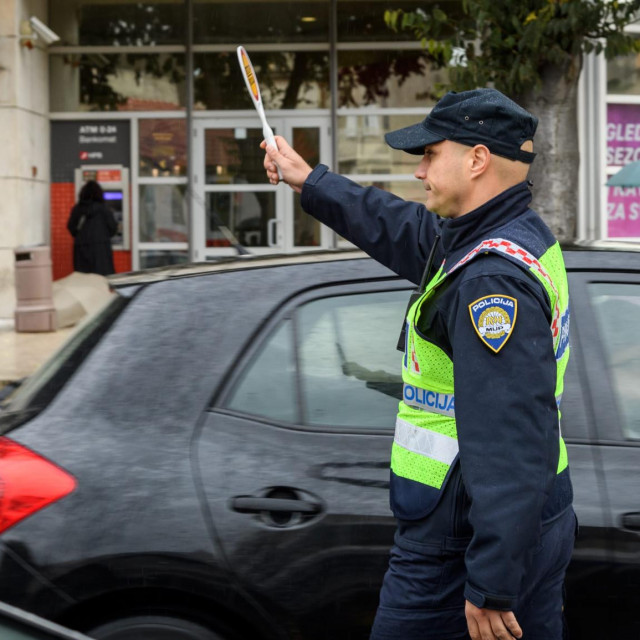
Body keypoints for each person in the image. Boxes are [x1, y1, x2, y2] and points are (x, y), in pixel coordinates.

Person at [262, 88, 576, 640]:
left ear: (477, 159)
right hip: (526, 519)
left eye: (431, 154)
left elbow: (511, 435)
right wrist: (309, 180)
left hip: (458, 541)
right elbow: (399, 227)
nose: (420, 169)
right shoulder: (510, 236)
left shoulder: (490, 281)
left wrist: (491, 579)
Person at [67, 180, 118, 276]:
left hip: (81, 249)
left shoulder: (77, 209)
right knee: (102, 280)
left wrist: (81, 235)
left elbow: (71, 228)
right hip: (101, 250)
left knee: (83, 280)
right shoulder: (104, 209)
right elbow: (113, 228)